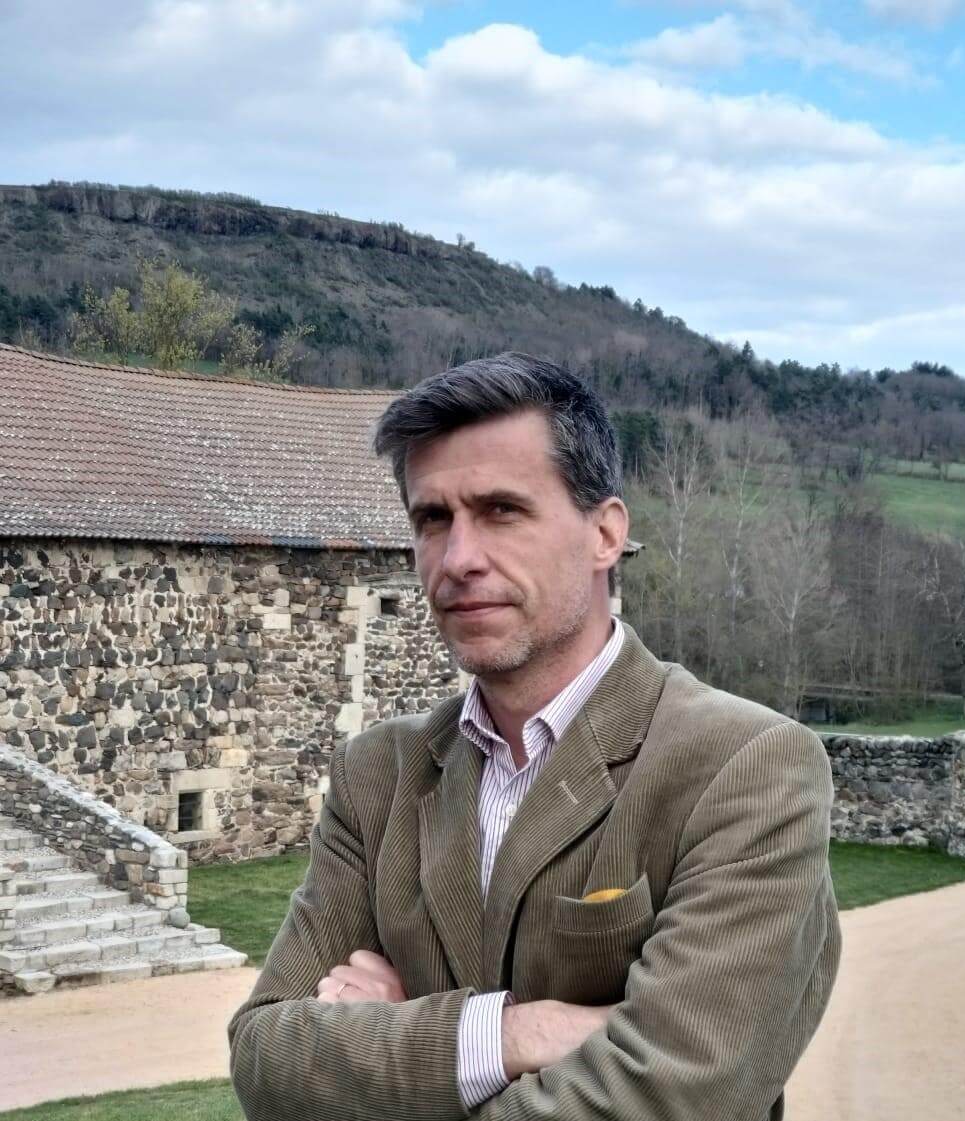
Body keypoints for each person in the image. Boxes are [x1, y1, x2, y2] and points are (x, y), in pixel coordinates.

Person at [228, 352, 841, 1121]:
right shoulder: (376, 774)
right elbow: (265, 1061)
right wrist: (517, 1032)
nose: (459, 559)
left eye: (502, 510)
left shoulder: (743, 766)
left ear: (604, 534)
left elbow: (673, 1095)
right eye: (432, 519)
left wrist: (394, 1049)